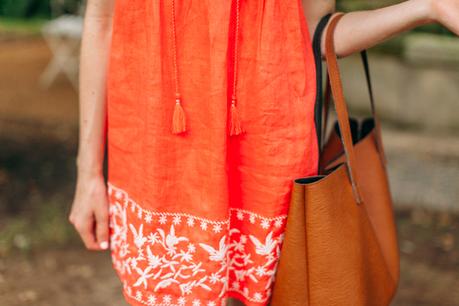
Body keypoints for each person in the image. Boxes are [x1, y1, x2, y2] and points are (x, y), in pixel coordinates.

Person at [69, 1, 459, 305]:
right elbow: (102, 23)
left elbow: (316, 31)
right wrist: (88, 173)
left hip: (267, 163)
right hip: (159, 165)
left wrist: (427, 8)